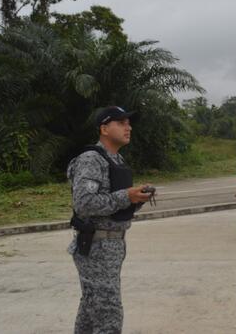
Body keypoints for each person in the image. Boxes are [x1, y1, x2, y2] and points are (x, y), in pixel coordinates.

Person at [67, 105, 153, 334]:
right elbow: (84, 203)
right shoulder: (91, 159)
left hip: (112, 245)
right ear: (104, 128)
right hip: (96, 245)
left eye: (129, 123)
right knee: (109, 314)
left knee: (92, 305)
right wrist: (126, 196)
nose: (128, 127)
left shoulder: (115, 159)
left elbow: (113, 203)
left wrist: (136, 198)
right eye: (121, 123)